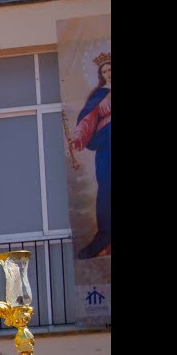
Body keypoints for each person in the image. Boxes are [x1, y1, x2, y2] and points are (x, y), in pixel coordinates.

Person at [70, 52, 110, 260]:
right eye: (104, 71)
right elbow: (87, 120)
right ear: (101, 75)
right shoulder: (99, 95)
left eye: (110, 69)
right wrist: (79, 135)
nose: (108, 73)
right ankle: (104, 235)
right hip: (107, 148)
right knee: (106, 188)